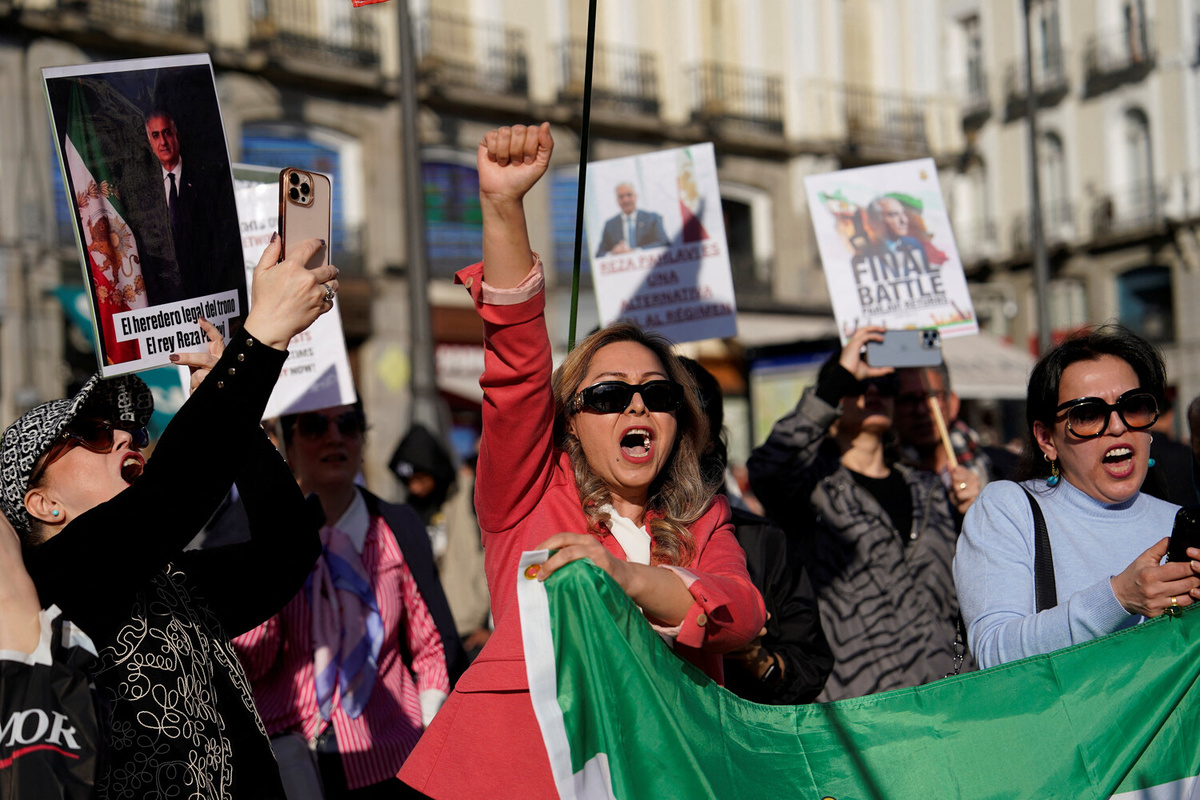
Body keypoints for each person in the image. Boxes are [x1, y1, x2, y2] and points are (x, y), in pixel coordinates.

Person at [399, 123, 765, 798]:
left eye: (657, 395)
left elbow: (740, 613)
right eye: (606, 395)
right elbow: (514, 363)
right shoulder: (528, 493)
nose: (635, 408)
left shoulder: (703, 518)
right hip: (516, 778)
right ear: (569, 422)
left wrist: (623, 577)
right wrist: (504, 208)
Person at [0, 234, 339, 798]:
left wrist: (242, 429)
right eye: (91, 433)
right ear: (43, 504)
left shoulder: (171, 579)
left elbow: (289, 549)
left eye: (131, 430)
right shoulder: (59, 577)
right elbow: (174, 493)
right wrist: (260, 342)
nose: (127, 437)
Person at [232, 401, 464, 799]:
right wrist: (267, 575)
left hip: (390, 758)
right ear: (287, 444)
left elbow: (433, 646)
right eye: (315, 425)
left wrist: (426, 725)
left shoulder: (395, 526)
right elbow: (248, 663)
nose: (334, 436)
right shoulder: (258, 534)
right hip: (291, 764)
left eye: (349, 424)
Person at [954, 325, 1200, 669]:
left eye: (1134, 406)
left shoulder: (1181, 521)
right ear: (1046, 439)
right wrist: (1119, 598)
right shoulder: (1008, 509)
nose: (1117, 427)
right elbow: (995, 650)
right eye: (1087, 414)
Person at [747, 327, 971, 701]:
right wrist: (839, 378)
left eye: (886, 385)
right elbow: (768, 466)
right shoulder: (808, 489)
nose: (872, 393)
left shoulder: (932, 488)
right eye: (858, 385)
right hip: (862, 706)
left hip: (950, 698)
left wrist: (973, 516)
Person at [679, 357, 832, 704]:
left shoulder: (759, 541)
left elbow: (810, 663)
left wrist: (757, 660)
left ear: (710, 439)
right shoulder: (602, 530)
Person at [143, 109, 245, 310]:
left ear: (177, 136)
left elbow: (224, 248)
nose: (163, 141)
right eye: (155, 135)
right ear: (150, 144)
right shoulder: (144, 192)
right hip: (166, 305)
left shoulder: (208, 182)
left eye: (167, 133)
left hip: (208, 299)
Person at [893, 364, 1016, 515]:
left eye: (932, 396)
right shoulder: (888, 478)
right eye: (908, 400)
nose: (921, 410)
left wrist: (983, 511)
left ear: (953, 403)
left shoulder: (1008, 469)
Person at [594, 181, 669, 256]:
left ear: (636, 196)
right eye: (621, 197)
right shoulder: (610, 225)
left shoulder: (652, 218)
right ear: (617, 200)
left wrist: (635, 251)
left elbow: (664, 243)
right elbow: (599, 254)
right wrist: (613, 253)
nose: (625, 200)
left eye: (629, 195)